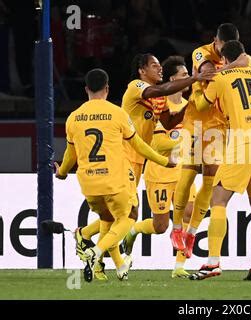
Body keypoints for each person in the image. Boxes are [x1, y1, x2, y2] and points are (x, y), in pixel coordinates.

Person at [73, 53, 214, 277]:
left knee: (118, 214)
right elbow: (158, 91)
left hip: (138, 159)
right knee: (127, 214)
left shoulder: (157, 100)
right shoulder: (137, 86)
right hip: (123, 157)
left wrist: (195, 108)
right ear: (141, 70)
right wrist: (196, 78)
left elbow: (168, 120)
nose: (159, 69)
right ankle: (100, 257)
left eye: (160, 66)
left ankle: (89, 242)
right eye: (154, 66)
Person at [55, 68, 175, 282]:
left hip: (89, 184)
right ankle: (96, 252)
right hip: (114, 179)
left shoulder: (73, 118)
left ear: (86, 89)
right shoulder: (117, 113)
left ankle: (114, 266)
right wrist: (164, 161)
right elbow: (138, 144)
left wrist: (62, 172)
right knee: (129, 216)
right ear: (107, 89)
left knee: (107, 219)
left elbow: (69, 154)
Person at [188, 40, 251, 281]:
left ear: (224, 60)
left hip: (243, 140)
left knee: (218, 199)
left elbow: (200, 105)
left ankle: (213, 263)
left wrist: (198, 84)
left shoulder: (220, 78)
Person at [170, 23, 251, 259]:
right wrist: (236, 64)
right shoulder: (201, 52)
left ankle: (192, 232)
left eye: (229, 50)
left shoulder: (242, 57)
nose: (225, 54)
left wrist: (236, 64)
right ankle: (176, 228)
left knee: (210, 182)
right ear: (215, 41)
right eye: (222, 49)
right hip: (196, 121)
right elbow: (207, 72)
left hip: (219, 125)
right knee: (188, 175)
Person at [121, 56, 197, 278]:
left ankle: (179, 267)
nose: (188, 81)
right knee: (161, 225)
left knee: (188, 213)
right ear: (174, 79)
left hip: (182, 170)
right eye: (184, 76)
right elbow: (156, 143)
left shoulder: (187, 106)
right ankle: (133, 230)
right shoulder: (155, 99)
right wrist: (181, 142)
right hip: (159, 171)